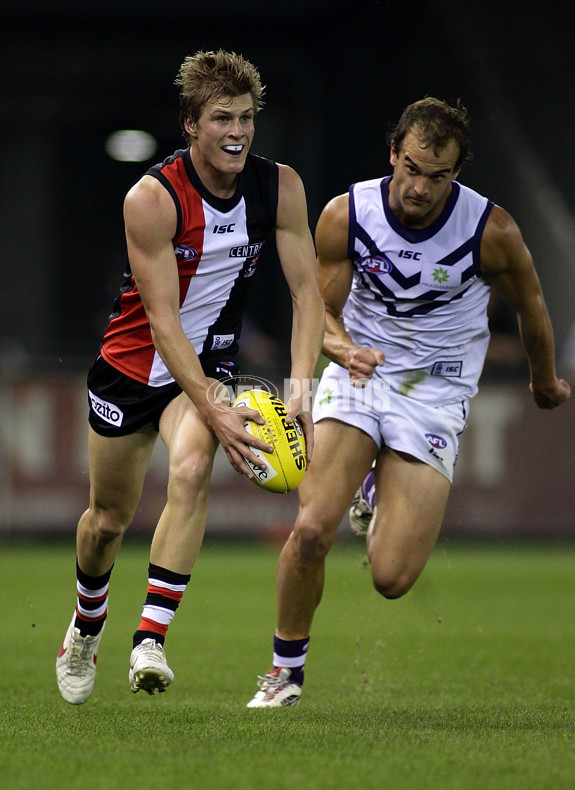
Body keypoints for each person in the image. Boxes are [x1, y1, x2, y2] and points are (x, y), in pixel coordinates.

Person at [247, 97, 571, 707]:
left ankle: (371, 491)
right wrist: (342, 352)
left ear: (458, 172)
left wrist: (544, 381)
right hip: (359, 377)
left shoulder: (490, 231)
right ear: (393, 152)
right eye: (412, 167)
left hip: (436, 391)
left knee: (392, 579)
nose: (420, 186)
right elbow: (317, 312)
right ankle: (284, 673)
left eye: (438, 175)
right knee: (313, 529)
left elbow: (532, 307)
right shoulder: (348, 215)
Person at [56, 49, 324, 705]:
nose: (237, 133)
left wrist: (300, 387)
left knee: (192, 464)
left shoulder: (279, 187)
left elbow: (308, 293)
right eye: (221, 119)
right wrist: (213, 403)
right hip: (130, 367)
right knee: (106, 521)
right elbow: (162, 319)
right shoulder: (151, 199)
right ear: (190, 124)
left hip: (205, 368)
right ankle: (87, 623)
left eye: (246, 118)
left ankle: (150, 638)